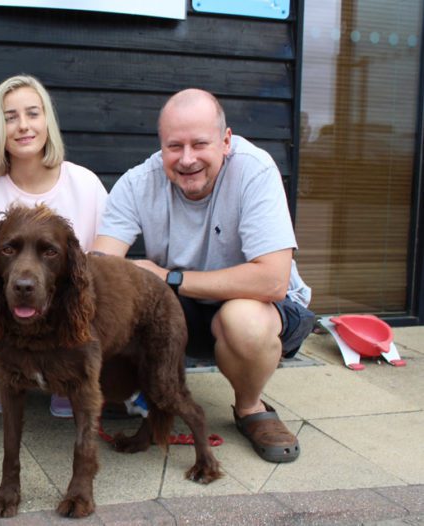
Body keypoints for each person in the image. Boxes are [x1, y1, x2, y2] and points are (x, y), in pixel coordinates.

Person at [91, 88, 314, 463]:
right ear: (161, 146)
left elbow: (273, 280)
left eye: (200, 144)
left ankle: (250, 408)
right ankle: (136, 391)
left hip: (266, 310)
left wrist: (167, 277)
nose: (187, 159)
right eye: (174, 146)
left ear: (226, 141)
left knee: (241, 320)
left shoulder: (255, 170)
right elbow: (99, 266)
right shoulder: (136, 183)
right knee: (114, 302)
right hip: (185, 312)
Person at [0, 74, 107, 418]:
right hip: (14, 308)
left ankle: (68, 379)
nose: (23, 126)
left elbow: (104, 255)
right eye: (10, 117)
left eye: (33, 114)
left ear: (47, 121)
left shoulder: (85, 183)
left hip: (68, 308)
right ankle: (9, 375)